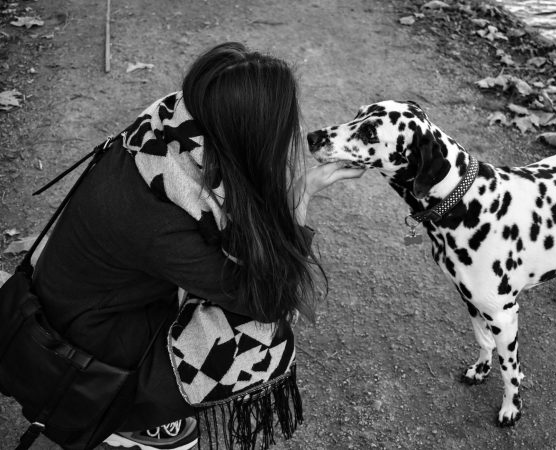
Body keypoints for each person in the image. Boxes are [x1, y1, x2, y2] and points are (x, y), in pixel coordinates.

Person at [32, 42, 364, 449]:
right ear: (247, 137)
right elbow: (270, 298)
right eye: (282, 127)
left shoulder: (172, 122)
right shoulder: (160, 224)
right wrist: (298, 201)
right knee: (257, 331)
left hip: (82, 297)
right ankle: (130, 416)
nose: (295, 133)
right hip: (88, 350)